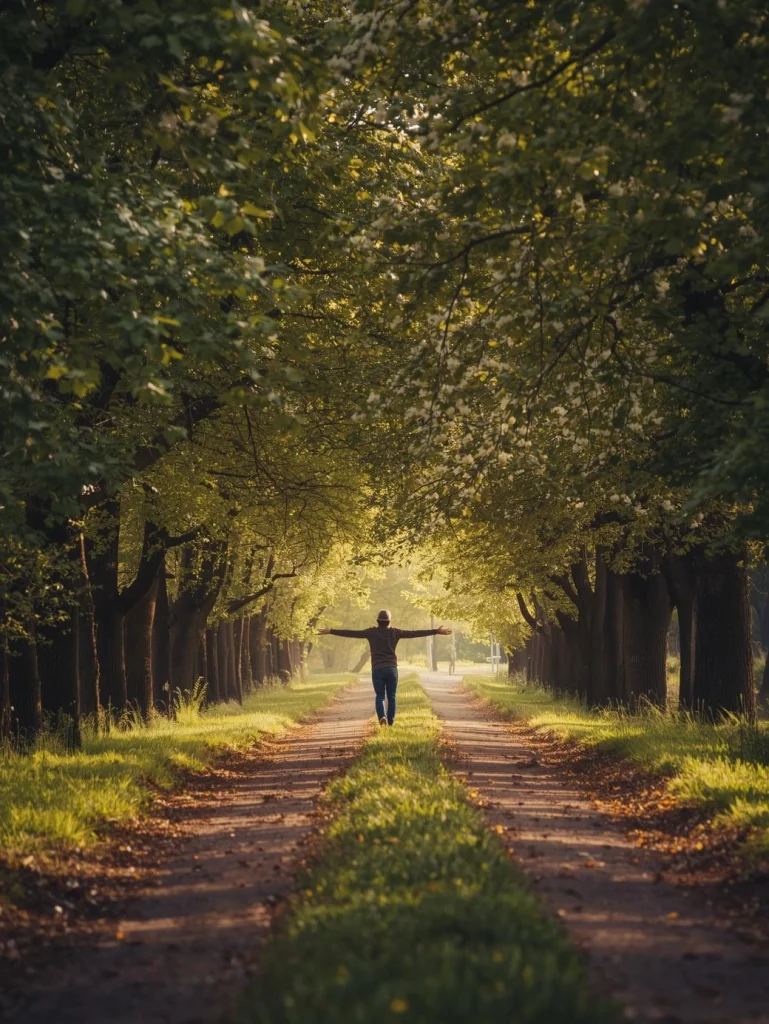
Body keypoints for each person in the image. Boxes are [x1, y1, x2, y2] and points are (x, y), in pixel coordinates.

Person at [318, 610, 452, 726]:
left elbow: (352, 633)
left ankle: (382, 716)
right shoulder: (395, 632)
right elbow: (414, 633)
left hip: (377, 669)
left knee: (380, 696)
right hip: (392, 669)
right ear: (389, 621)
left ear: (378, 621)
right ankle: (390, 723)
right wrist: (436, 631)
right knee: (392, 696)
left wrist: (330, 631)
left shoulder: (371, 632)